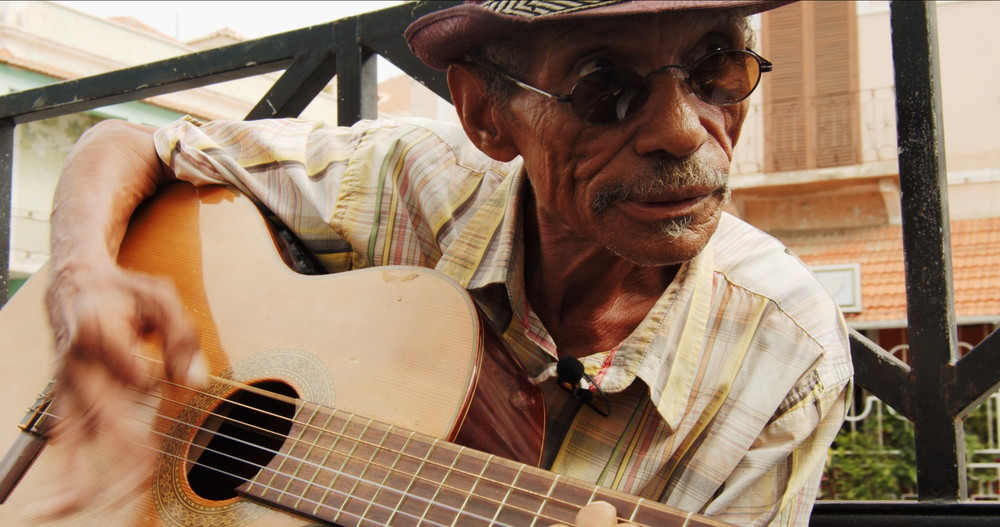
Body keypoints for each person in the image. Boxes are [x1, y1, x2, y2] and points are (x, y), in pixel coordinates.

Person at [43, 1, 852, 526]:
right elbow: (129, 144)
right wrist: (83, 283)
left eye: (717, 69)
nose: (682, 130)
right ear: (484, 114)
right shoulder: (403, 183)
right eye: (604, 86)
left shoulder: (788, 357)